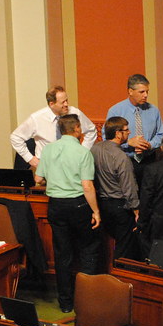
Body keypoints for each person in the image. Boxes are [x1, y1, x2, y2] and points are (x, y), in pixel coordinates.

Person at [35, 114, 101, 313]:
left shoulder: (48, 150)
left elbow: (38, 179)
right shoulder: (83, 152)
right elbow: (87, 186)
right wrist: (96, 211)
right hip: (78, 205)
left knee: (62, 255)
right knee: (88, 250)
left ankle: (65, 302)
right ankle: (86, 300)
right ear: (77, 128)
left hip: (55, 205)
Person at [10, 85, 97, 169]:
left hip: (71, 165)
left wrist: (83, 151)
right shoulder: (37, 118)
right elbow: (15, 137)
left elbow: (91, 131)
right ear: (51, 104)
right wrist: (30, 159)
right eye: (63, 102)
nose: (66, 104)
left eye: (67, 100)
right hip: (47, 166)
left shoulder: (74, 113)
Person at [90, 116, 140, 260]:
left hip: (101, 203)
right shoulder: (122, 157)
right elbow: (128, 186)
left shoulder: (95, 149)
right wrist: (136, 210)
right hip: (120, 206)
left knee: (106, 244)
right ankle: (120, 273)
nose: (129, 132)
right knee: (124, 247)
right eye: (126, 130)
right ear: (118, 133)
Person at [106, 74, 163, 165]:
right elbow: (107, 139)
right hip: (124, 160)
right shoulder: (115, 111)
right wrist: (128, 143)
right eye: (142, 92)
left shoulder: (154, 110)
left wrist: (149, 145)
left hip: (149, 160)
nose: (145, 95)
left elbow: (160, 134)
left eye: (147, 91)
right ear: (130, 91)